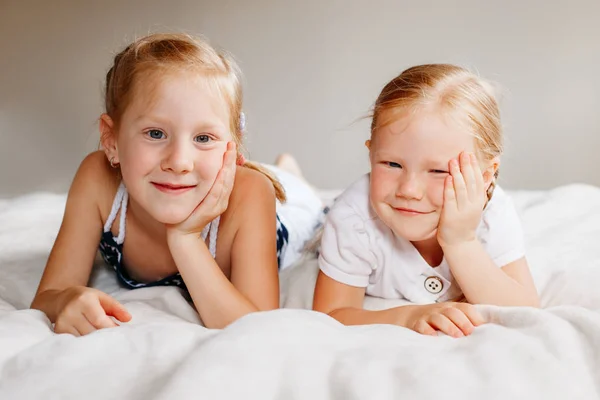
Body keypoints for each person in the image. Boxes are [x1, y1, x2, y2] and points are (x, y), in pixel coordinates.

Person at [31, 33, 321, 336]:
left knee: (293, 188)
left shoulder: (251, 194)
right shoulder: (97, 178)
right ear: (111, 139)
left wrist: (185, 238)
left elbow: (256, 326)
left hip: (288, 209)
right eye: (155, 133)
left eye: (203, 138)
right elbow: (49, 294)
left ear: (233, 146)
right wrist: (66, 298)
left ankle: (288, 170)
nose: (179, 162)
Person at [313, 64, 539, 338]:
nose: (409, 189)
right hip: (320, 218)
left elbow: (525, 310)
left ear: (486, 177)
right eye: (392, 164)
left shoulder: (493, 212)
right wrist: (409, 315)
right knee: (308, 212)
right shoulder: (354, 216)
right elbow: (331, 315)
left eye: (439, 171)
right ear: (370, 153)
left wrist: (461, 241)